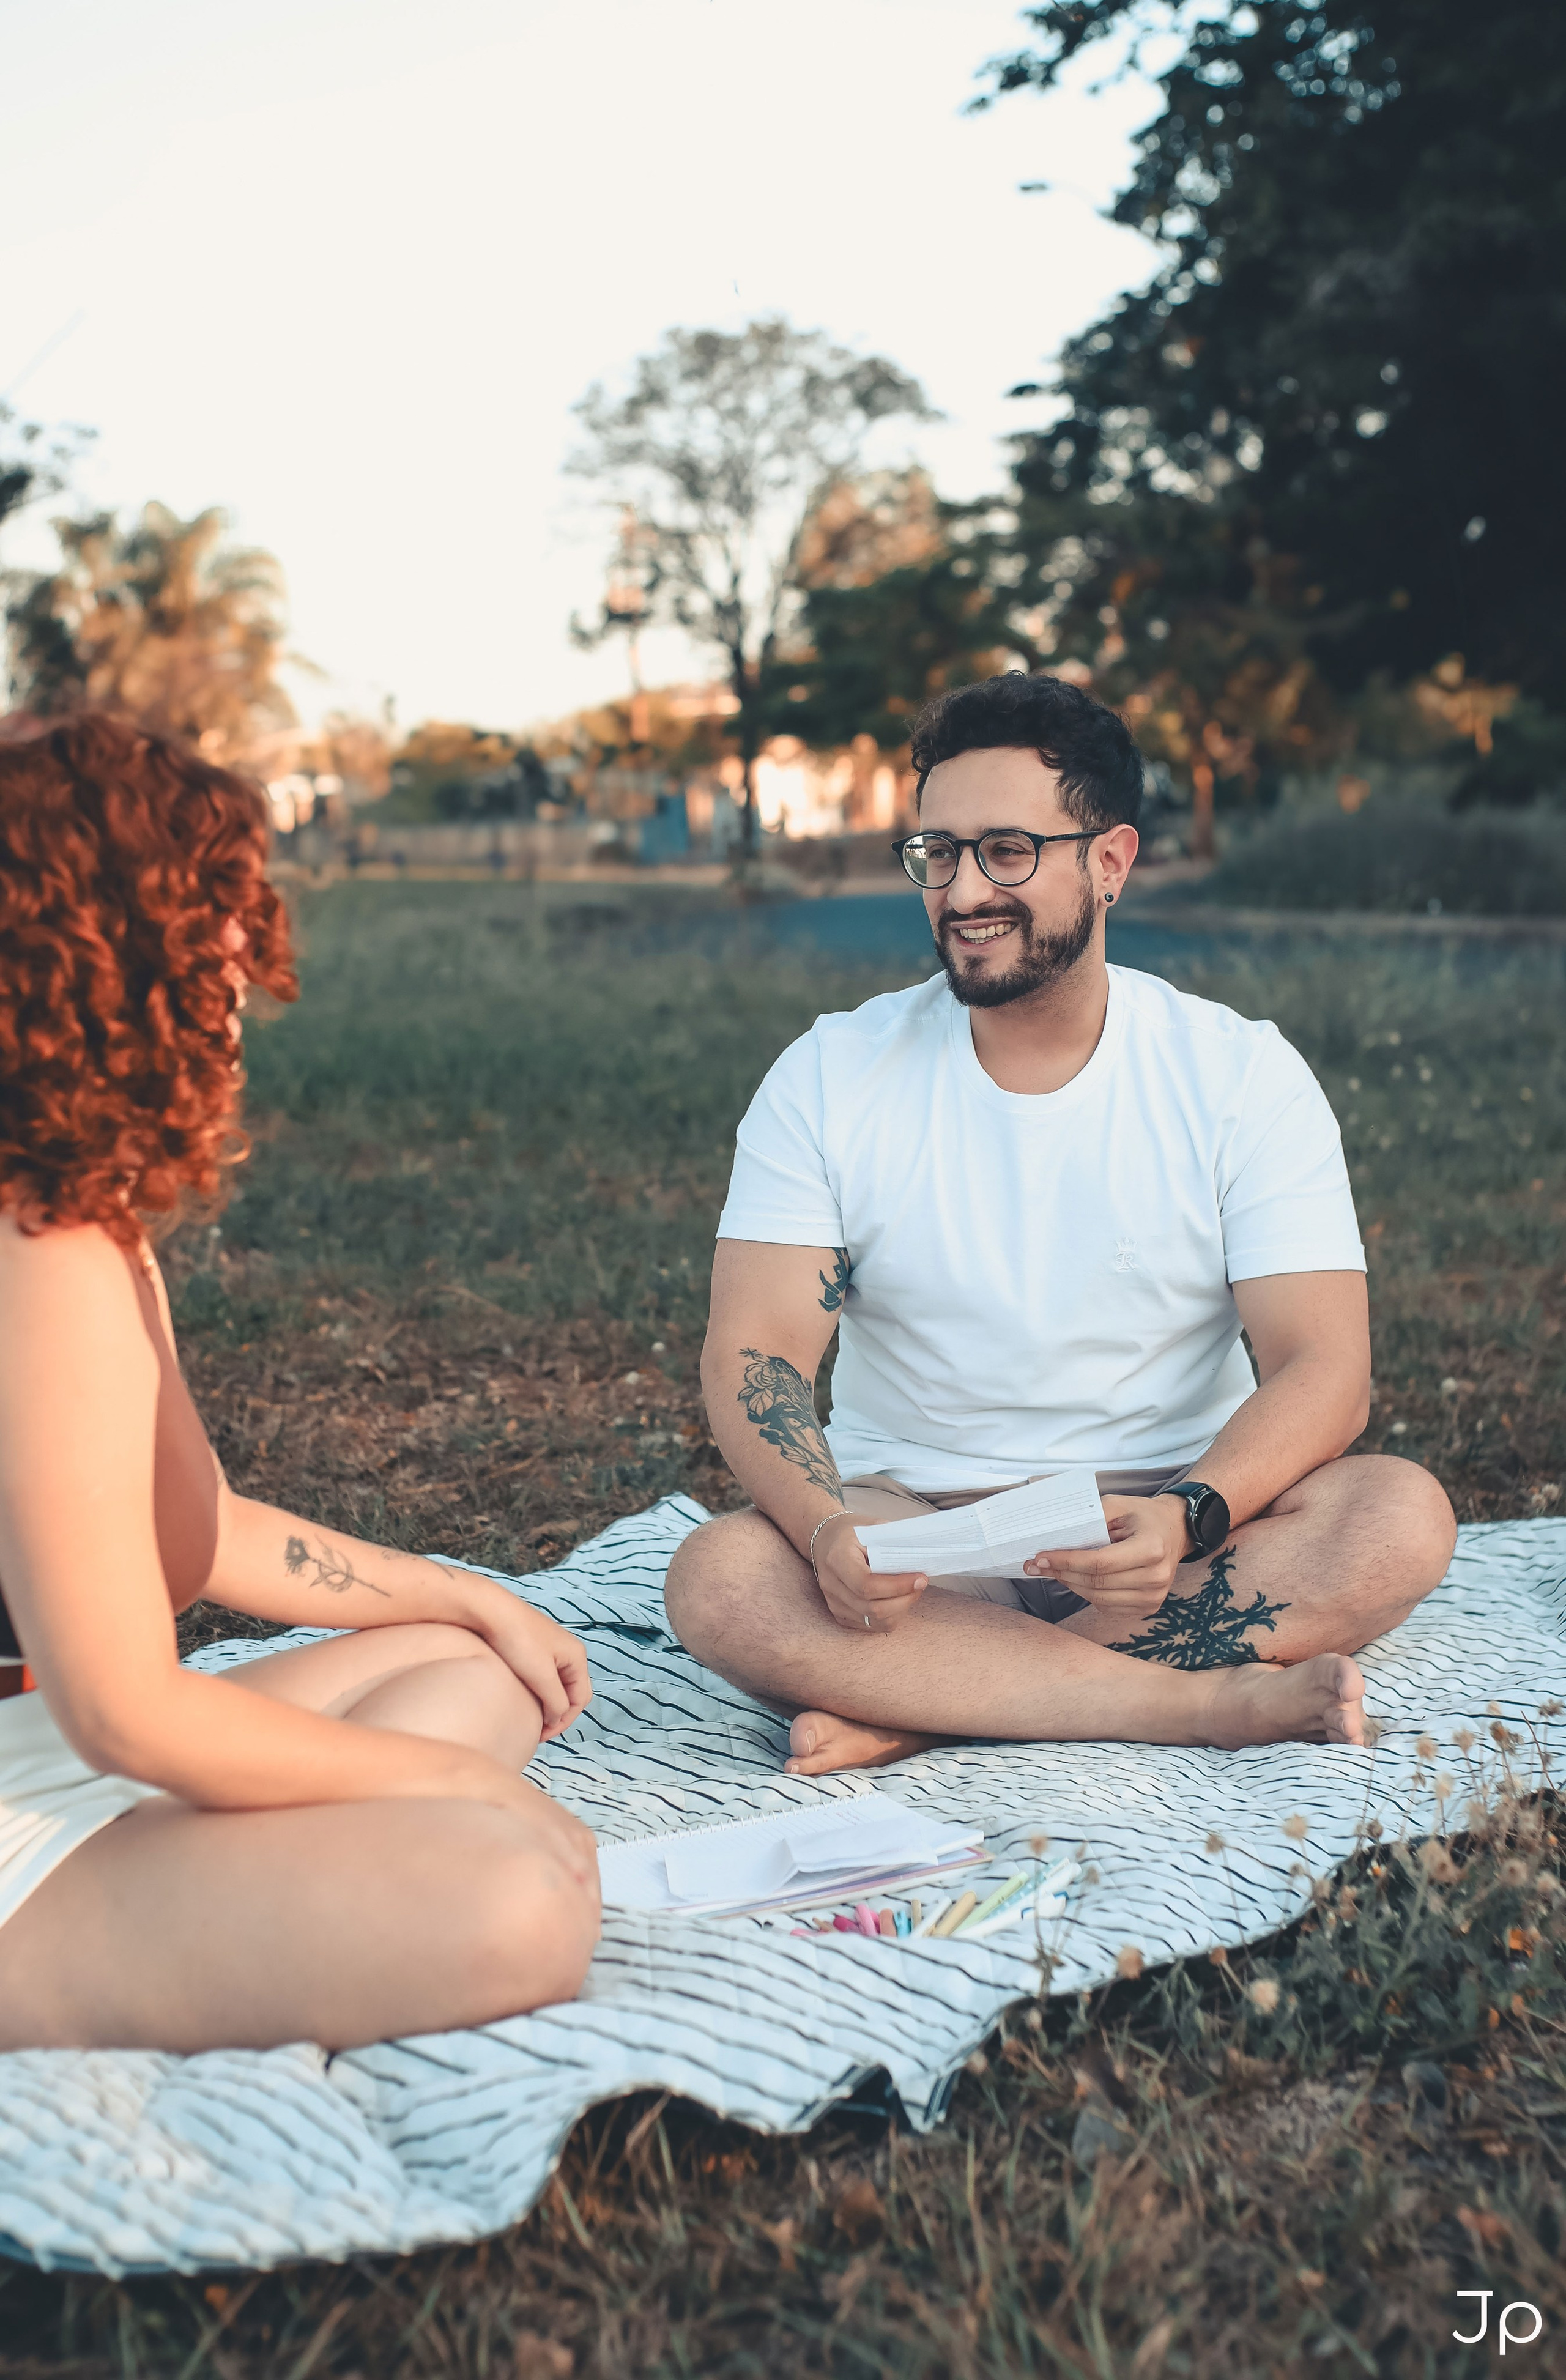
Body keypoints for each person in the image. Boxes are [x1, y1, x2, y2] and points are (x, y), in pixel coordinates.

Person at [666, 673, 1456, 1774]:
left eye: (1006, 850)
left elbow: (1325, 1365)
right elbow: (755, 1351)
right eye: (937, 854)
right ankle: (1190, 1705)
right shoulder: (830, 1074)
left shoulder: (1240, 1074)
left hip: (1166, 1531)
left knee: (1398, 1515)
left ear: (1112, 861)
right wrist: (826, 1534)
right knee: (722, 1578)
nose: (961, 890)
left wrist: (1193, 1513)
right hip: (919, 1538)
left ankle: (939, 1706)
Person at [0, 713, 599, 2053]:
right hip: (44, 1791)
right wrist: (459, 1791)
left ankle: (238, 1871)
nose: (240, 952)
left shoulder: (84, 1220)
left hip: (46, 1752)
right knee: (517, 1901)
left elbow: (202, 1524)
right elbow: (123, 1708)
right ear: (104, 949)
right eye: (210, 910)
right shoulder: (38, 1258)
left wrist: (467, 1588)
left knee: (473, 1659)